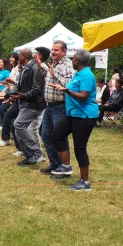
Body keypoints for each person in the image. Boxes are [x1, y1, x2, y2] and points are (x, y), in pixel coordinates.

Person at [48, 49, 98, 190]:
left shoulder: (87, 75)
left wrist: (67, 91)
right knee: (56, 135)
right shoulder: (78, 74)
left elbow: (84, 96)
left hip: (84, 116)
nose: (71, 61)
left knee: (80, 148)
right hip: (73, 114)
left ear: (77, 60)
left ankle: (85, 182)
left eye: (73, 59)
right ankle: (65, 166)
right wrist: (62, 87)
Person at [34, 41, 74, 175]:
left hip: (60, 106)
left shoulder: (68, 65)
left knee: (60, 137)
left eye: (56, 50)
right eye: (52, 50)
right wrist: (40, 66)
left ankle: (65, 166)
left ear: (64, 51)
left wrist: (55, 75)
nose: (53, 52)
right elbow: (47, 73)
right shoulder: (54, 64)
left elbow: (70, 85)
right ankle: (54, 164)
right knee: (46, 135)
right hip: (49, 106)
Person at [12, 48, 46, 166]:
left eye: (19, 55)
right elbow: (22, 87)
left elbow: (37, 89)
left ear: (24, 56)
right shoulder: (26, 69)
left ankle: (36, 152)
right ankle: (30, 157)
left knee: (19, 125)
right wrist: (11, 95)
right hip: (25, 103)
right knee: (18, 130)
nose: (17, 58)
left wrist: (21, 96)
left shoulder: (34, 68)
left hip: (34, 104)